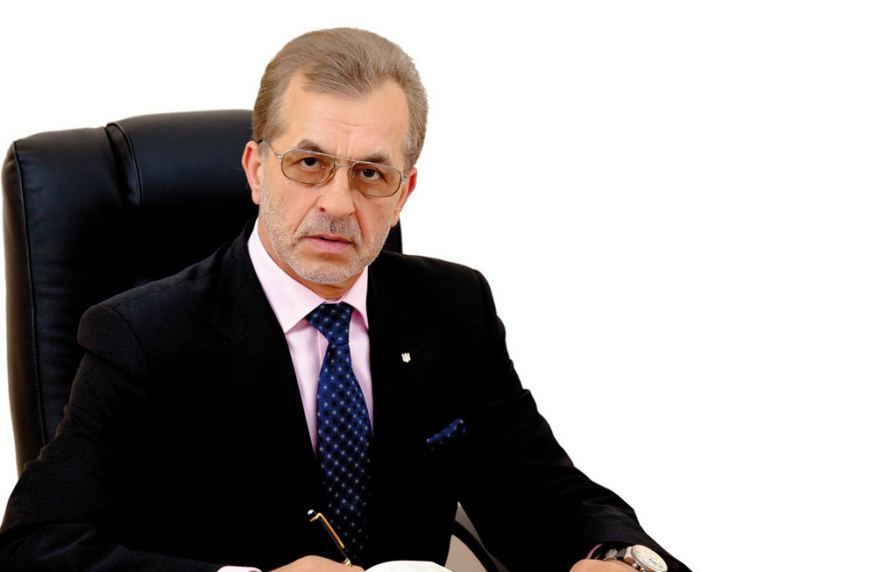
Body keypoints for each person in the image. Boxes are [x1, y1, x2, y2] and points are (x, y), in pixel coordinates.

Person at [0, 28, 690, 572]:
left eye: (370, 173)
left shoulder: (453, 308)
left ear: (403, 192)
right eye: (309, 163)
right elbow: (36, 546)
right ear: (256, 170)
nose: (337, 202)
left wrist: (619, 557)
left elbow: (543, 492)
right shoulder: (140, 335)